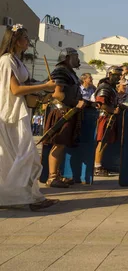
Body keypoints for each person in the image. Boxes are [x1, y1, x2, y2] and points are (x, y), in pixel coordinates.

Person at [0, 25, 58, 210]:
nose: (28, 41)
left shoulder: (17, 60)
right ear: (16, 40)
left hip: (19, 112)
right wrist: (43, 86)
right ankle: (24, 197)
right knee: (23, 156)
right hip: (10, 115)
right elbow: (16, 89)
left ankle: (30, 196)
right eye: (25, 38)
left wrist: (44, 86)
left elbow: (26, 83)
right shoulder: (7, 60)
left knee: (24, 156)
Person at [45, 47, 86, 188]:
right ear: (68, 58)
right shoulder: (61, 71)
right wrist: (75, 103)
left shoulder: (69, 72)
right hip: (61, 112)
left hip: (68, 112)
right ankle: (52, 177)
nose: (78, 60)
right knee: (58, 144)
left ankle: (57, 174)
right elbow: (57, 94)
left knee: (61, 145)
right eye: (75, 57)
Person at [93, 66, 123, 177]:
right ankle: (97, 166)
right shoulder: (104, 87)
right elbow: (100, 104)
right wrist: (113, 110)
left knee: (105, 141)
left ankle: (99, 165)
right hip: (104, 117)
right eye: (117, 76)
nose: (119, 78)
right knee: (102, 141)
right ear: (110, 75)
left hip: (109, 117)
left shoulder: (111, 88)